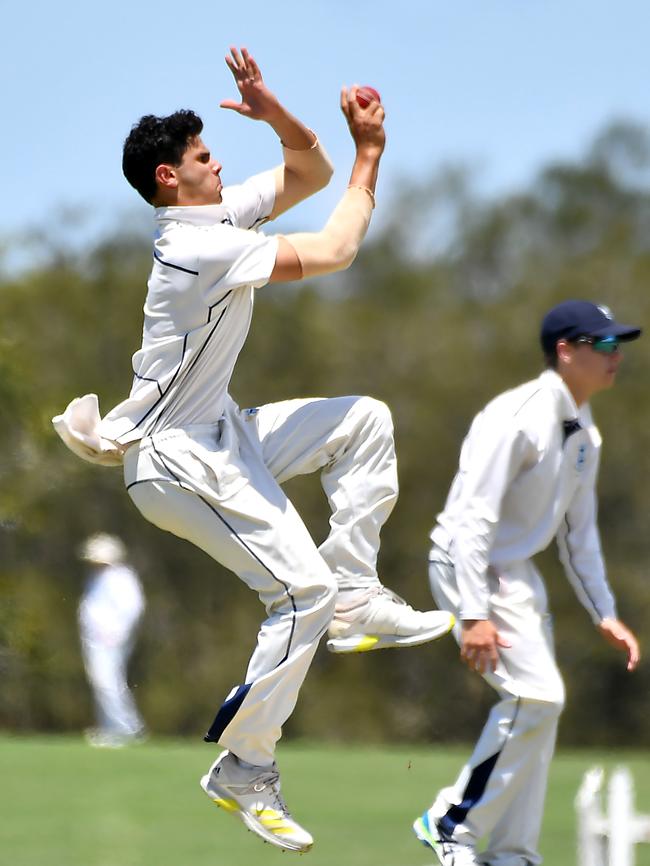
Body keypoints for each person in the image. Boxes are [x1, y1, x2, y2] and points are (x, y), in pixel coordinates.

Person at [53, 47, 453, 853]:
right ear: (170, 178)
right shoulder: (195, 248)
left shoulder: (221, 217)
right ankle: (244, 766)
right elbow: (335, 248)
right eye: (203, 155)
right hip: (174, 462)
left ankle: (354, 592)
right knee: (295, 593)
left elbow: (306, 173)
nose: (218, 160)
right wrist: (373, 156)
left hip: (221, 436)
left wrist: (277, 114)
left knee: (364, 421)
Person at [412, 300, 642, 866]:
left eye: (619, 347)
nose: (616, 358)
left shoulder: (586, 432)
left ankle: (512, 853)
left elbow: (578, 535)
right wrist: (472, 613)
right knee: (536, 697)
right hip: (471, 568)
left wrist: (603, 612)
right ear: (566, 351)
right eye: (604, 346)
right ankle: (450, 821)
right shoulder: (520, 415)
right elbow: (472, 521)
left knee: (542, 706)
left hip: (513, 574)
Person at [78, 533, 146, 748]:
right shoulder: (97, 577)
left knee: (108, 682)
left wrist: (117, 633)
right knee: (103, 683)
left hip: (110, 640)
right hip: (94, 639)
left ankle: (126, 728)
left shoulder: (121, 577)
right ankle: (112, 728)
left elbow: (132, 608)